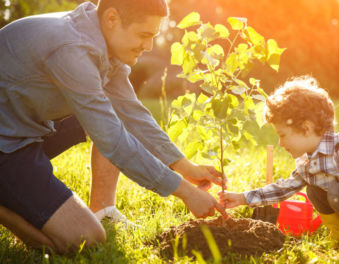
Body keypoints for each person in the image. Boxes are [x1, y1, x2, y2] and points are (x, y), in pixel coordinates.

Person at [0, 0, 228, 254]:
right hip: (6, 145)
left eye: (153, 36)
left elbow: (132, 114)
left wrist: (185, 167)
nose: (149, 46)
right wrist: (185, 192)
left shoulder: (103, 42)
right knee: (86, 239)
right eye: (144, 35)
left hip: (26, 126)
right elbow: (113, 140)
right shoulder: (72, 49)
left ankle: (103, 210)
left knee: (111, 115)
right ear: (112, 19)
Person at [218, 76, 339, 256]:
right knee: (315, 189)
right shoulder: (307, 161)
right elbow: (284, 188)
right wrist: (242, 198)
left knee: (336, 191)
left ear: (306, 128)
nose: (280, 143)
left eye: (283, 135)